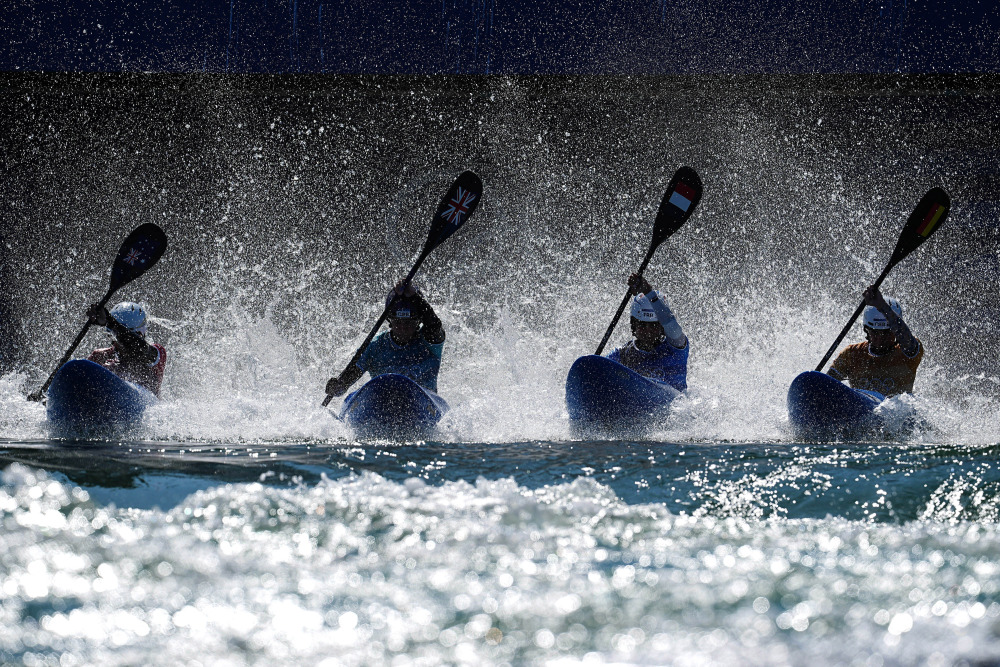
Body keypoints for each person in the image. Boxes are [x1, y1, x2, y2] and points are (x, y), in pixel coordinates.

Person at [325, 282, 446, 397]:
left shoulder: (429, 342)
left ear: (419, 321)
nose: (403, 328)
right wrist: (338, 385)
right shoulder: (374, 346)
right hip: (383, 404)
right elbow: (347, 380)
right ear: (390, 320)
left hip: (423, 405)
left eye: (409, 322)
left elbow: (434, 325)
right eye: (398, 322)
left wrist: (415, 297)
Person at [826, 286, 922, 398]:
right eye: (875, 333)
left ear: (896, 331)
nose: (880, 339)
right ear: (866, 330)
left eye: (886, 333)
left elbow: (908, 341)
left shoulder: (908, 353)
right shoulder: (851, 354)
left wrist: (882, 306)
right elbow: (827, 384)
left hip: (898, 413)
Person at [607, 273, 689, 391]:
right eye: (642, 325)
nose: (648, 331)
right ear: (633, 325)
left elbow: (671, 324)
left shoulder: (676, 347)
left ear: (662, 327)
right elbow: (599, 367)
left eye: (654, 325)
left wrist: (649, 292)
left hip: (676, 406)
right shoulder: (623, 353)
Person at [86, 301, 167, 397]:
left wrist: (110, 322)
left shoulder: (156, 353)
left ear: (140, 335)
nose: (117, 343)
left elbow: (137, 347)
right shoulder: (99, 356)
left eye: (119, 337)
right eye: (113, 337)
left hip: (148, 406)